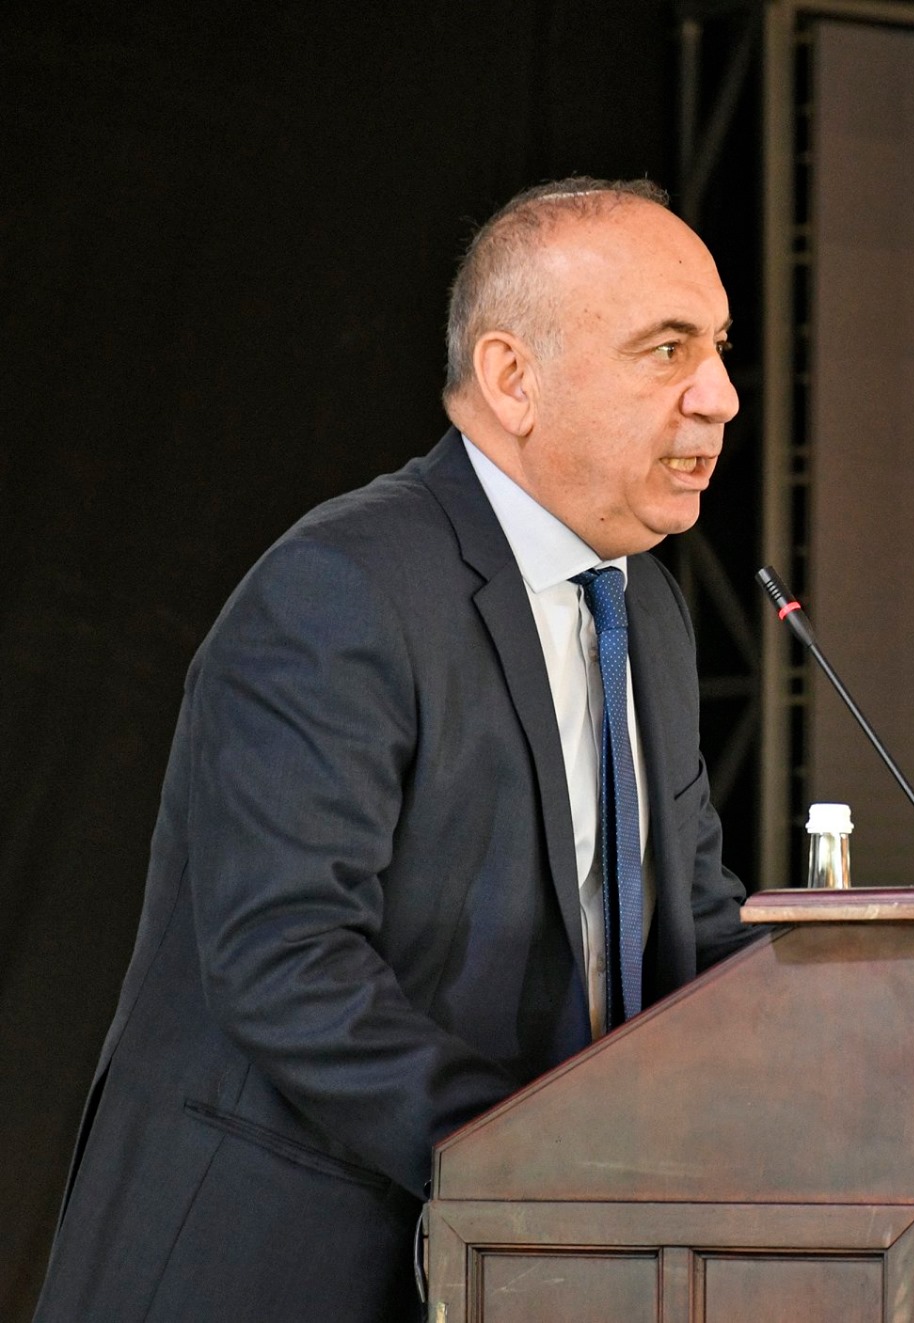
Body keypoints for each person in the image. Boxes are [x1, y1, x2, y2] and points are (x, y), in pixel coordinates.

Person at [32, 177, 759, 1322]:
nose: (718, 395)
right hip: (278, 1267)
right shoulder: (343, 588)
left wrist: (872, 1025)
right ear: (512, 378)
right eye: (667, 350)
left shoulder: (646, 611)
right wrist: (537, 1159)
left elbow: (692, 924)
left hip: (521, 1262)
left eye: (717, 348)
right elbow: (286, 957)